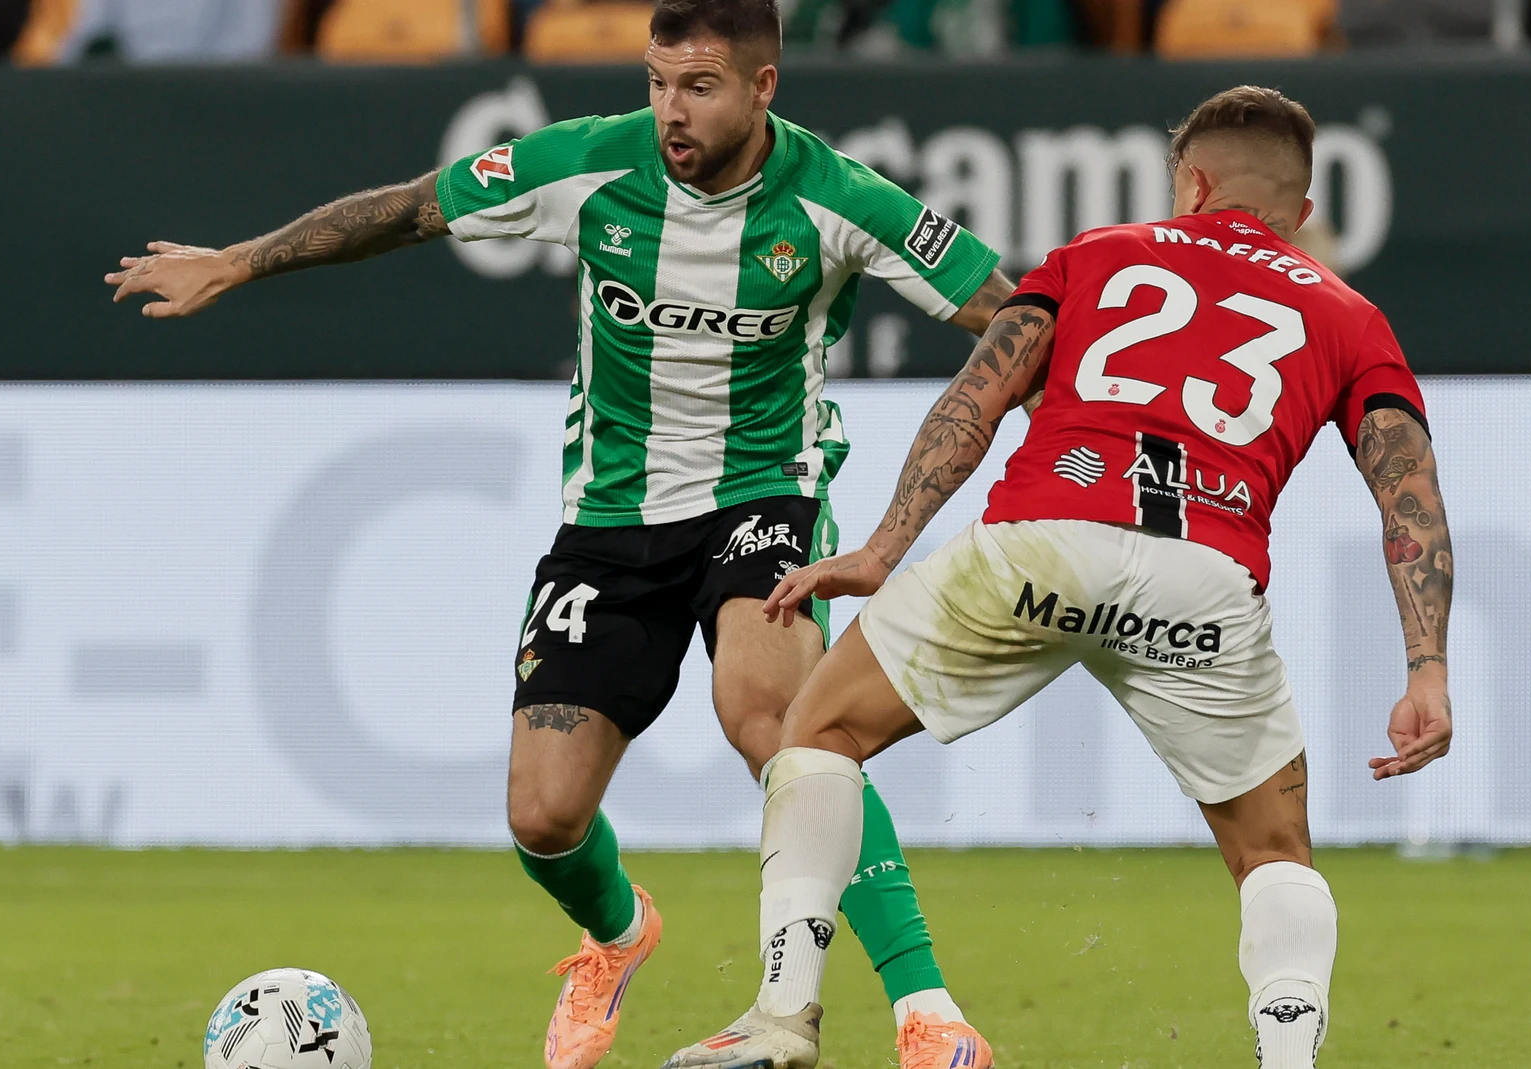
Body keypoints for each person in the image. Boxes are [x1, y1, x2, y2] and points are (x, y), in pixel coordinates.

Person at [102, 1, 1014, 1067]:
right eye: (658, 83)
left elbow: (1008, 314)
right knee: (542, 815)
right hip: (608, 522)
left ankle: (926, 1010)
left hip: (762, 493)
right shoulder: (585, 164)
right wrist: (243, 260)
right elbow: (408, 210)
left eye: (701, 88)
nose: (671, 111)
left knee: (777, 722)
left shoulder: (839, 199)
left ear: (764, 88)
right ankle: (620, 933)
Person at [693, 85, 1456, 1069]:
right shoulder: (1351, 317)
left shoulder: (1093, 256)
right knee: (1271, 853)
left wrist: (884, 547)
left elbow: (975, 399)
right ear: (1302, 212)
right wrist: (1426, 667)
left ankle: (783, 1017)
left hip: (1041, 544)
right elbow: (1410, 498)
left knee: (816, 729)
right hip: (1204, 581)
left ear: (1192, 181)